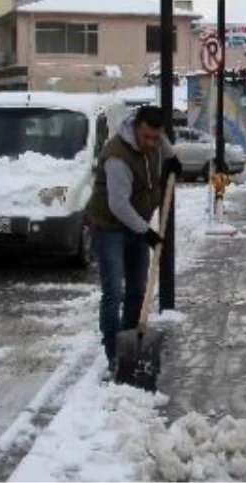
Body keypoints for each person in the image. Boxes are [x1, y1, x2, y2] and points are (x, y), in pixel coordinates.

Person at [87, 105, 181, 369]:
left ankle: (130, 342)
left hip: (135, 224)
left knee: (138, 290)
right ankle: (112, 351)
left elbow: (161, 141)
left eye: (156, 137)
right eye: (147, 137)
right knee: (114, 292)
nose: (152, 143)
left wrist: (171, 157)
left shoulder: (155, 139)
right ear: (135, 128)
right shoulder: (118, 157)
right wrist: (147, 233)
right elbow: (119, 206)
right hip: (109, 227)